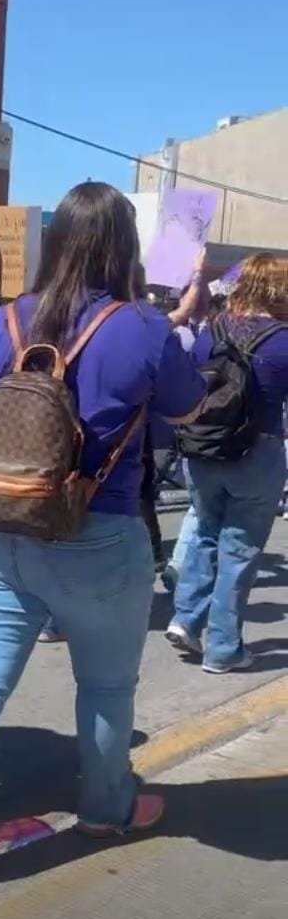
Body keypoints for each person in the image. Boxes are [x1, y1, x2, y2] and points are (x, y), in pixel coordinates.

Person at [0, 182, 206, 886]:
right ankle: (107, 807)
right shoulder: (144, 327)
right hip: (98, 532)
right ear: (124, 246)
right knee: (106, 686)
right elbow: (188, 411)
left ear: (55, 242)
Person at [167, 254, 288, 674]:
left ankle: (185, 618)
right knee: (239, 548)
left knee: (204, 531)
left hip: (204, 448)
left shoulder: (212, 330)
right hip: (258, 451)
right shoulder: (282, 339)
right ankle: (223, 646)